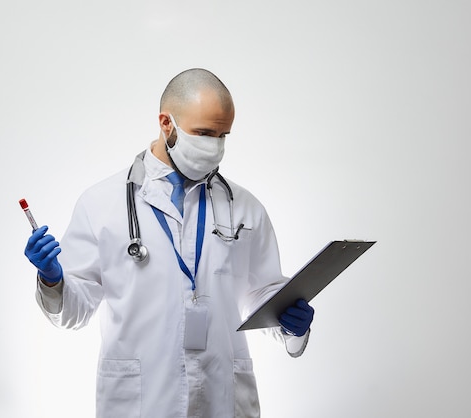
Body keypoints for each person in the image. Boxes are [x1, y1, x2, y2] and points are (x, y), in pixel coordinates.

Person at [24, 68, 315, 418]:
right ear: (166, 123)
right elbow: (72, 312)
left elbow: (262, 295)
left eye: (223, 135)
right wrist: (53, 279)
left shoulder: (246, 208)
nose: (215, 147)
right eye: (204, 133)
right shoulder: (101, 203)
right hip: (141, 401)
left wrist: (289, 324)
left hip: (221, 396)